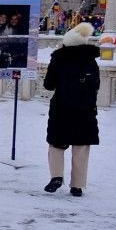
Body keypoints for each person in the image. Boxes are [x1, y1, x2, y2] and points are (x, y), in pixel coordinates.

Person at [43, 22, 100, 196]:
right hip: (85, 109)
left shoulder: (59, 58)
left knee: (56, 144)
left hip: (61, 107)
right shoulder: (91, 60)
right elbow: (96, 84)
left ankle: (56, 176)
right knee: (81, 146)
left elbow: (48, 85)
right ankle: (77, 185)